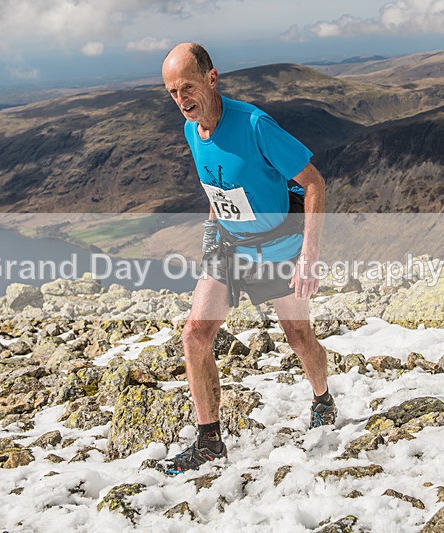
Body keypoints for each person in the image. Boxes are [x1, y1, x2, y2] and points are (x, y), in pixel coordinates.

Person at [158, 43, 335, 475]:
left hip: (279, 248)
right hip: (229, 248)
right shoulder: (191, 129)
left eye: (188, 87)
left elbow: (313, 183)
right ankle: (209, 443)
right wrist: (210, 236)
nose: (182, 100)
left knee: (298, 338)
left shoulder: (254, 125)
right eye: (173, 92)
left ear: (212, 78)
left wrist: (309, 256)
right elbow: (218, 188)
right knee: (194, 335)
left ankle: (322, 398)